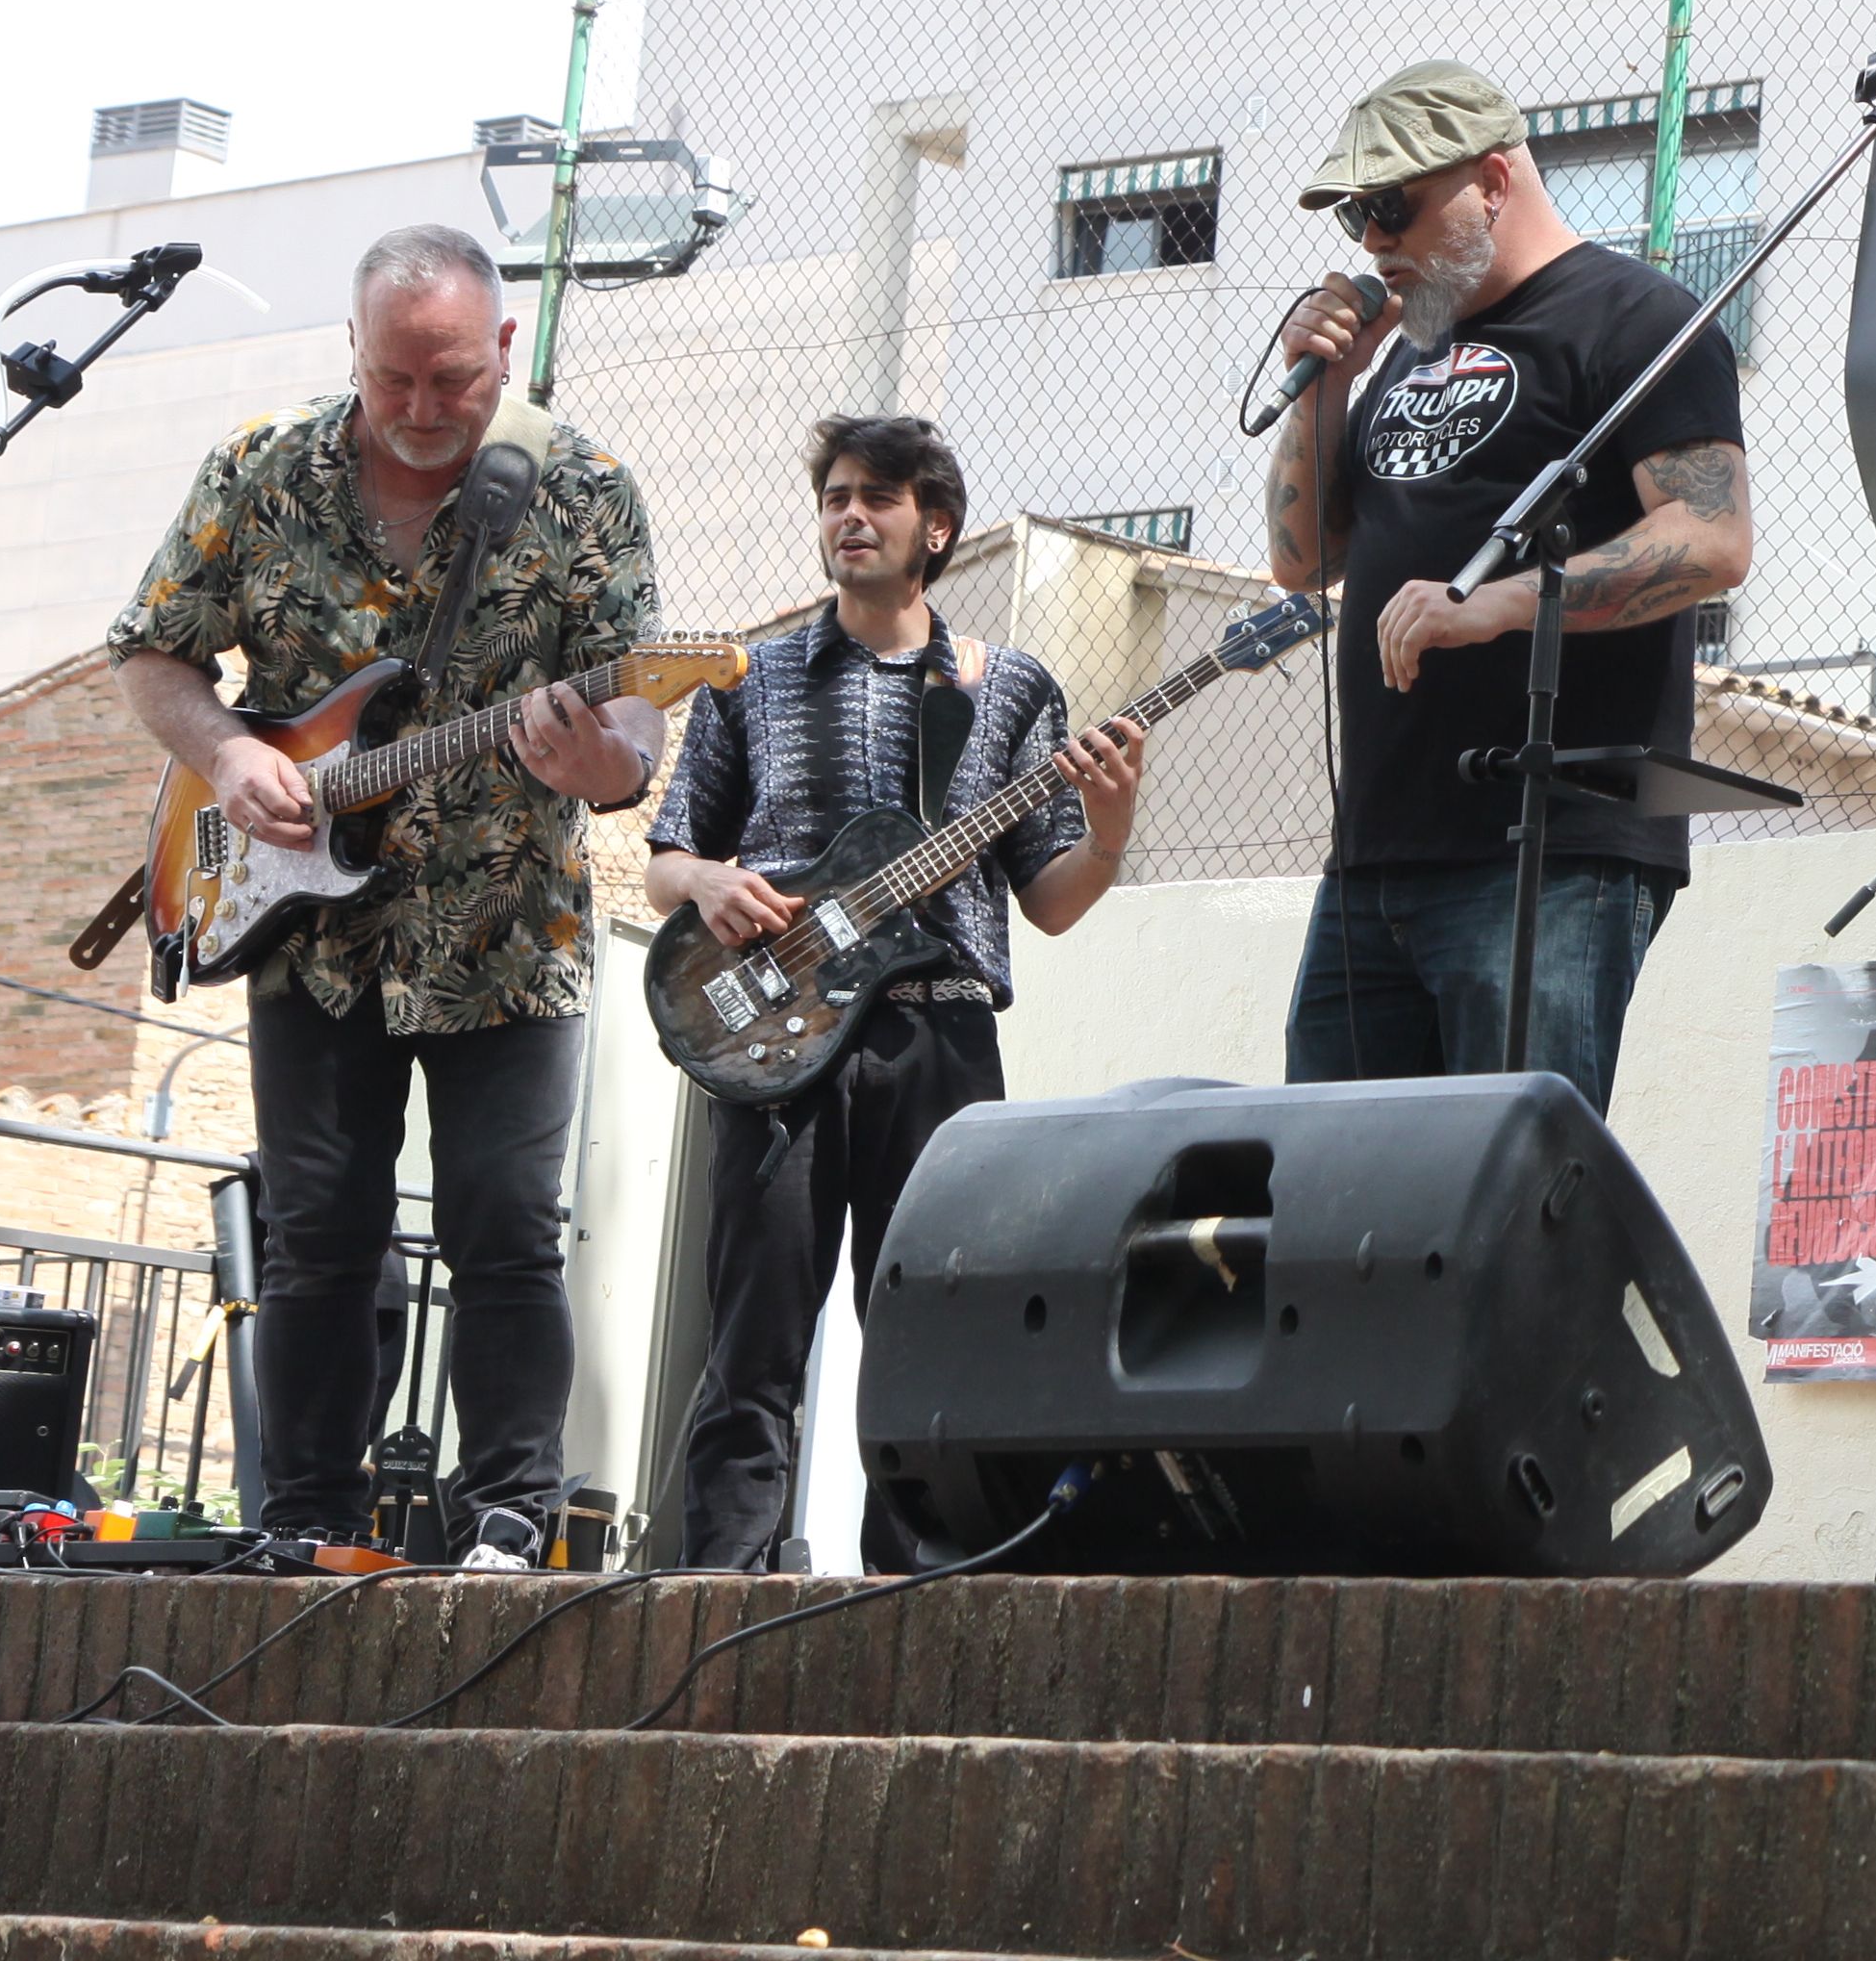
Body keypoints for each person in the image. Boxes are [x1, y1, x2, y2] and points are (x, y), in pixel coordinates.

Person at [108, 224, 660, 1566]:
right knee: (317, 1235)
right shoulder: (260, 469)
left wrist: (601, 763)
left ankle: (509, 1520)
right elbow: (152, 653)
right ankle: (300, 1522)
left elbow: (636, 719)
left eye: (455, 381)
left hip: (508, 936)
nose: (421, 411)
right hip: (304, 928)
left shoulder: (583, 491)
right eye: (393, 379)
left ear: (506, 351)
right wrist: (231, 753)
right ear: (349, 351)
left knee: (507, 1230)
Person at [645, 416, 1146, 1572]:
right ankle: (724, 1580)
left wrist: (1110, 832)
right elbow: (669, 854)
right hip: (774, 1036)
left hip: (943, 1036)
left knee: (926, 1322)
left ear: (938, 526)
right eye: (834, 497)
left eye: (877, 497)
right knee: (756, 1323)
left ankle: (910, 1585)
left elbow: (1054, 900)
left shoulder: (1010, 689)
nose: (850, 517)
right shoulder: (750, 679)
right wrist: (712, 883)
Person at [1261, 60, 1753, 1111]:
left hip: (1546, 849)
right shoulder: (1406, 353)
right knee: (1334, 1195)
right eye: (1355, 213)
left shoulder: (1633, 317)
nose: (1370, 240)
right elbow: (1304, 561)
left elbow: (1711, 540)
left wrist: (1500, 603)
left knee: (1506, 1204)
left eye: (1391, 205)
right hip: (1378, 853)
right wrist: (1329, 386)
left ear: (1491, 180)